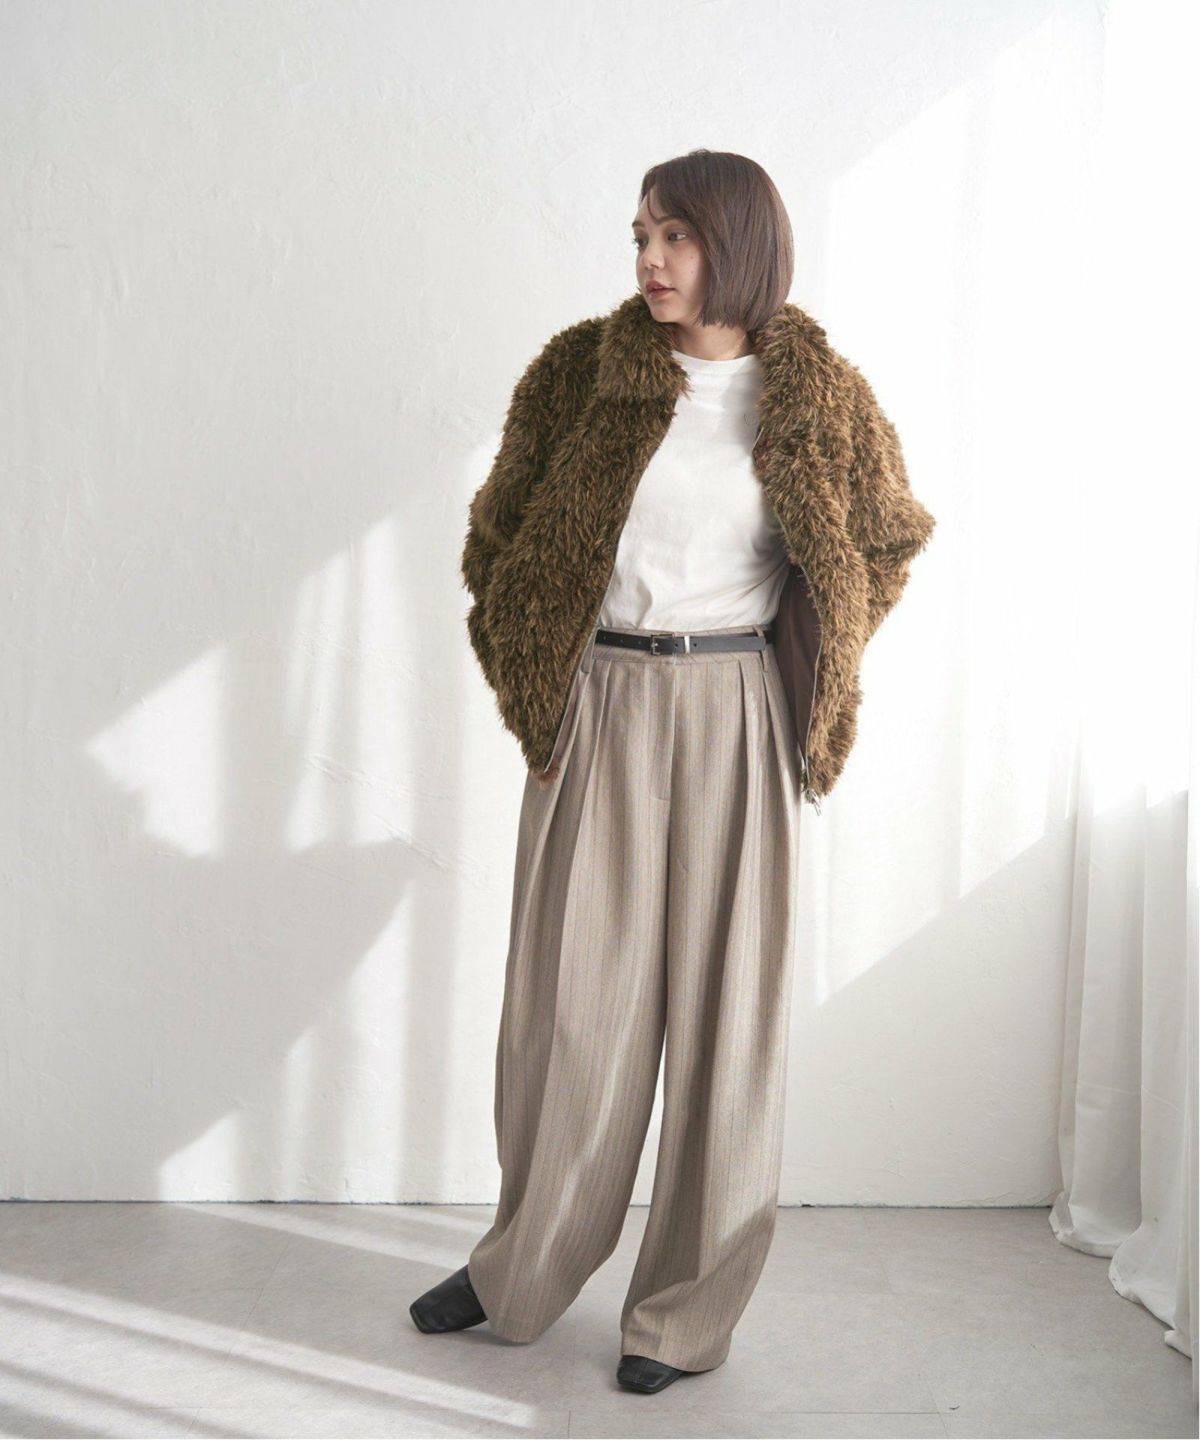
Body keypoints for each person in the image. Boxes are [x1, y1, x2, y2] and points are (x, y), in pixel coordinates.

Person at [410, 149, 936, 1395]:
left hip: (738, 706)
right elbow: (498, 532)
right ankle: (520, 1267)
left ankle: (681, 1317)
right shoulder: (579, 374)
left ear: (738, 245)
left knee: (725, 1025)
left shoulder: (817, 395)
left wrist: (824, 653)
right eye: (642, 235)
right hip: (599, 701)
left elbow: (888, 535)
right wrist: (529, 661)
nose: (650, 259)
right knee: (569, 1014)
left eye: (678, 237)